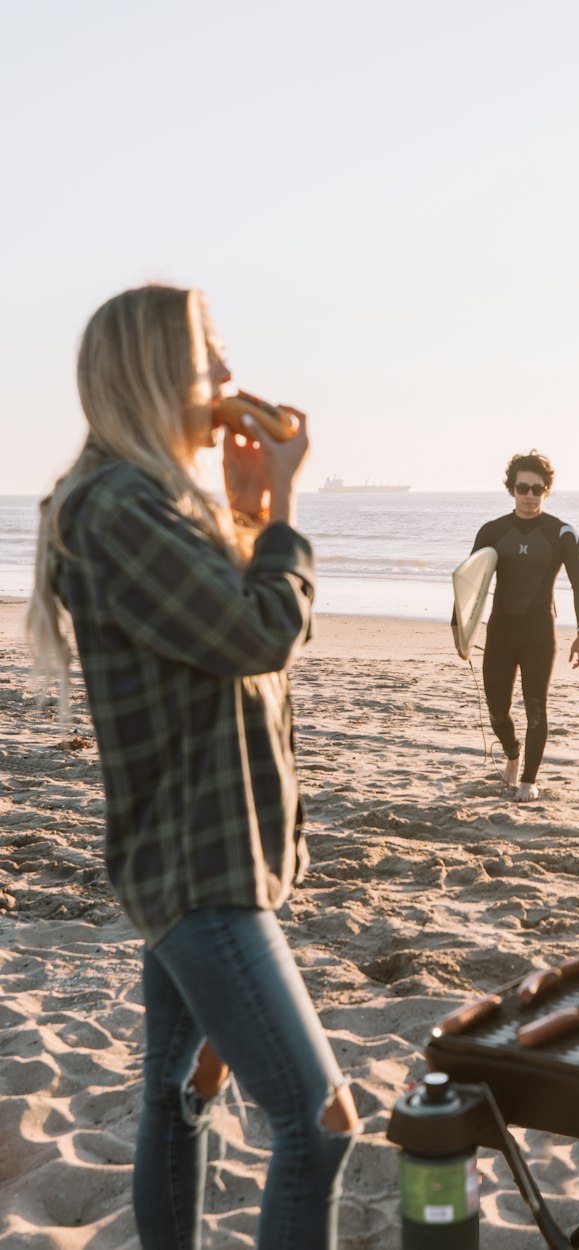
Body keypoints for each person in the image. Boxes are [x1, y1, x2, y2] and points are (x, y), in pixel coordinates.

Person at [28, 284, 359, 1250]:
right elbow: (259, 634)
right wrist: (286, 510)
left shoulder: (159, 503)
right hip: (196, 871)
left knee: (178, 1098)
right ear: (154, 373)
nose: (228, 377)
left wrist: (252, 515)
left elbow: (231, 651)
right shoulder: (114, 508)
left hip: (210, 856)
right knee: (321, 1119)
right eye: (209, 356)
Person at [452, 450, 579, 801]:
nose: (529, 495)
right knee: (497, 710)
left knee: (536, 708)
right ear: (511, 489)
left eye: (537, 488)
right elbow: (470, 583)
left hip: (539, 633)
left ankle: (529, 779)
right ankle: (512, 754)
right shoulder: (492, 531)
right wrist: (459, 627)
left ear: (546, 490)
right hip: (500, 631)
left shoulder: (562, 533)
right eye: (522, 487)